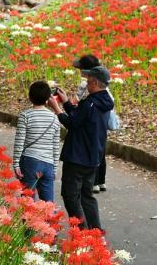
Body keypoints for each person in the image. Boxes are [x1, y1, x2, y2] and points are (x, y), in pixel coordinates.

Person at [48, 66, 114, 230]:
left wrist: (56, 108)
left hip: (78, 156)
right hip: (93, 157)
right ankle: (95, 233)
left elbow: (73, 123)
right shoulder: (102, 102)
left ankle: (82, 233)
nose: (86, 84)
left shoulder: (91, 103)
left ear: (95, 82)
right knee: (86, 195)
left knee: (70, 195)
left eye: (88, 80)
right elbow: (80, 116)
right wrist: (65, 103)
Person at [12, 81, 60, 202]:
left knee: (28, 202)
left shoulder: (25, 115)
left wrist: (16, 164)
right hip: (48, 164)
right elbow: (55, 146)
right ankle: (50, 221)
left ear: (30, 97)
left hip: (30, 161)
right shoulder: (54, 118)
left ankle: (28, 222)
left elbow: (19, 141)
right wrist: (55, 168)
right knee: (48, 204)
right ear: (48, 99)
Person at [73, 54, 110, 193]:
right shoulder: (103, 80)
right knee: (101, 150)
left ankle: (94, 182)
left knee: (93, 149)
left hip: (92, 119)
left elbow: (78, 100)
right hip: (103, 120)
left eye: (80, 68)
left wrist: (70, 105)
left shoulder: (88, 83)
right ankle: (101, 181)